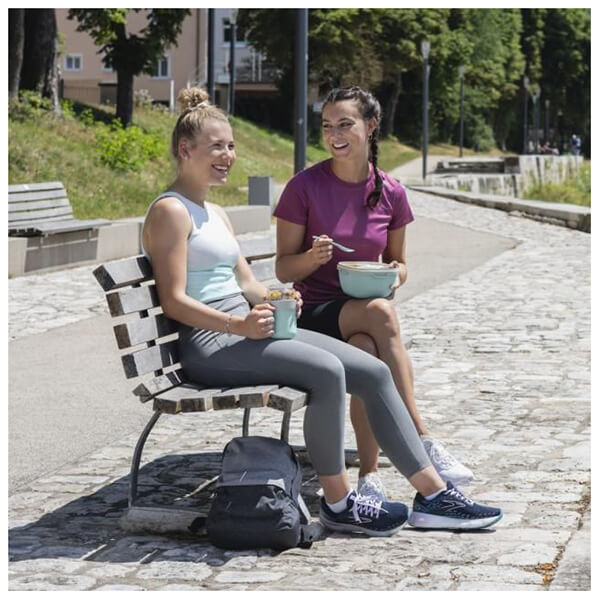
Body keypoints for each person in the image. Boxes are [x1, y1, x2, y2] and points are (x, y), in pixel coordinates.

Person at [141, 86, 503, 537]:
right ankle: (338, 502)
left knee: (372, 371)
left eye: (231, 146)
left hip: (247, 329)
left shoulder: (214, 212)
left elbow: (248, 284)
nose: (228, 156)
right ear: (185, 150)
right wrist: (239, 324)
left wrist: (277, 298)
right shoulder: (170, 212)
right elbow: (174, 300)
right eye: (217, 147)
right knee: (328, 371)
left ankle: (433, 496)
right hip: (211, 344)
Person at [274, 86, 474, 502]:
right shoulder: (304, 187)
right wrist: (312, 258)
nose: (334, 135)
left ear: (371, 126)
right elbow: (283, 269)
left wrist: (394, 275)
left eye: (345, 124)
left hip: (359, 315)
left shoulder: (391, 192)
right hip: (312, 315)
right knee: (381, 315)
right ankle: (422, 437)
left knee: (367, 349)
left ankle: (369, 476)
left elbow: (399, 262)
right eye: (327, 126)